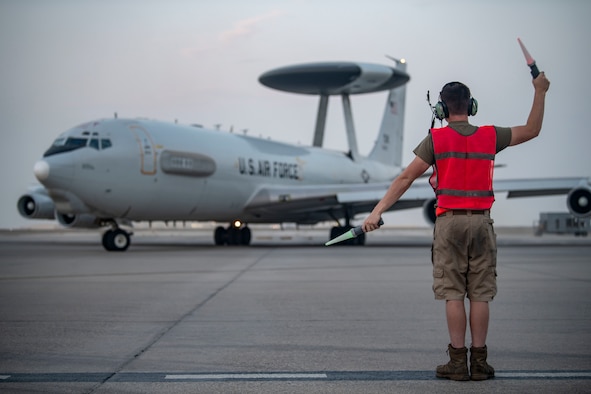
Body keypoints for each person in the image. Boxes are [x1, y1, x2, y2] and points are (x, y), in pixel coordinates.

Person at [362, 73, 550, 381]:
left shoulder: (436, 139)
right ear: (471, 106)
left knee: (453, 293)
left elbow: (405, 178)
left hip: (449, 224)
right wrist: (540, 91)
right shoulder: (491, 136)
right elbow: (532, 130)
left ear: (441, 110)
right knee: (480, 294)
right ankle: (479, 363)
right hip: (482, 223)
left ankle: (457, 363)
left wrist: (377, 212)